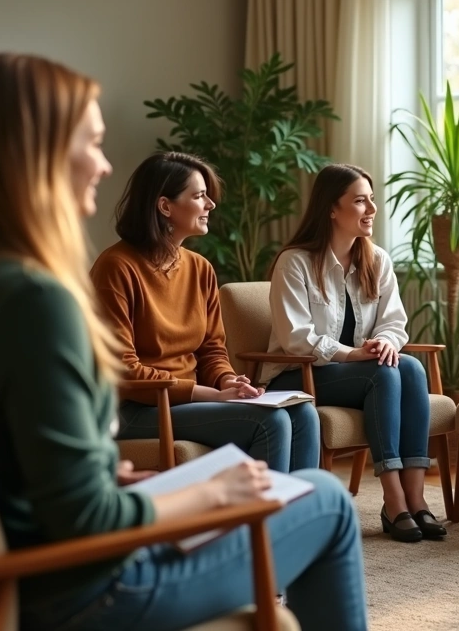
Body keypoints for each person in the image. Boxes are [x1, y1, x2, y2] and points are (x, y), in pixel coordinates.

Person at [0, 53, 366, 630]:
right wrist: (212, 494)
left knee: (294, 456)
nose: (104, 166)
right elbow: (89, 519)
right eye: (94, 143)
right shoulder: (36, 300)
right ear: (38, 154)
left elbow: (7, 462)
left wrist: (112, 478)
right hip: (88, 590)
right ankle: (266, 565)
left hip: (27, 575)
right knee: (326, 499)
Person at [90, 152, 320, 473]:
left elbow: (212, 350)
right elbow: (122, 369)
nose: (211, 204)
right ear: (165, 206)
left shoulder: (200, 268)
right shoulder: (116, 267)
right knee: (270, 421)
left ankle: (300, 506)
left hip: (189, 400)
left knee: (304, 414)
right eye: (199, 196)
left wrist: (228, 380)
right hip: (134, 409)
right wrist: (208, 394)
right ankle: (263, 507)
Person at [263, 163, 445, 543]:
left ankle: (416, 498)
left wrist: (385, 343)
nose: (372, 209)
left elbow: (394, 322)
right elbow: (296, 337)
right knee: (383, 372)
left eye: (372, 200)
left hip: (355, 373)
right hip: (298, 375)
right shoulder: (295, 262)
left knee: (410, 368)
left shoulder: (376, 259)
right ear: (332, 208)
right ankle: (393, 500)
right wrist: (351, 354)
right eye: (361, 201)